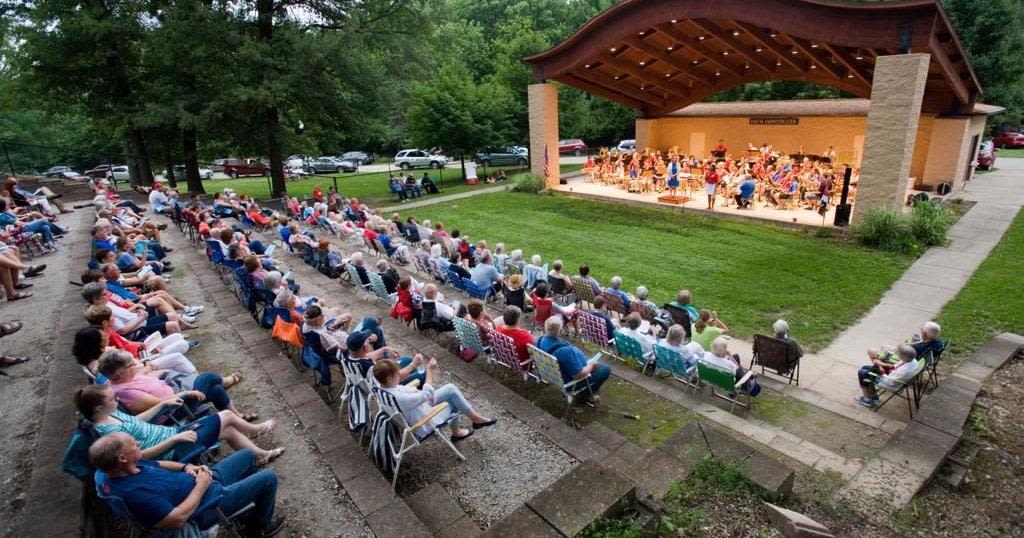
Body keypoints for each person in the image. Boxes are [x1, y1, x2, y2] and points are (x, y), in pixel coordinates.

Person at [86, 432, 286, 536]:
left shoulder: (112, 468)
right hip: (209, 505)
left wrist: (185, 467)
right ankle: (258, 528)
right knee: (268, 478)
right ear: (122, 458)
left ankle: (244, 511)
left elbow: (159, 463)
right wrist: (201, 485)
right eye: (134, 445)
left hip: (203, 480)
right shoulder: (134, 494)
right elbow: (177, 520)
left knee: (248, 455)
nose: (138, 444)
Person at [372, 358, 495, 442]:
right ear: (389, 378)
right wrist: (429, 370)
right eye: (396, 374)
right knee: (453, 401)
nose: (399, 375)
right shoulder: (400, 398)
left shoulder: (381, 388)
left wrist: (419, 393)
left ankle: (474, 420)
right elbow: (426, 393)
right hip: (425, 421)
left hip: (419, 408)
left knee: (450, 389)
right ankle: (459, 430)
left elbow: (405, 390)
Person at [537, 316, 609, 404]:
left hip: (551, 374)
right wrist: (591, 366)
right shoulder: (564, 352)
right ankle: (584, 395)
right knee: (605, 370)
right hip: (568, 382)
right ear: (560, 331)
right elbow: (578, 375)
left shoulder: (540, 340)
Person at [345, 328, 426, 387]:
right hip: (389, 387)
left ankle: (414, 387)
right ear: (365, 347)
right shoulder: (369, 367)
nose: (370, 341)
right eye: (368, 340)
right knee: (422, 374)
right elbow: (396, 377)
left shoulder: (351, 357)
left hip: (378, 380)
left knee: (407, 359)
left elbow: (367, 356)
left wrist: (385, 349)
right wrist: (414, 364)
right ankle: (414, 394)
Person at [855, 344, 921, 407]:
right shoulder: (913, 360)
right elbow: (897, 367)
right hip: (894, 377)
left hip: (890, 383)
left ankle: (867, 400)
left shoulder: (903, 371)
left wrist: (882, 371)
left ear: (903, 357)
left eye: (898, 353)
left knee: (862, 372)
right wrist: (885, 365)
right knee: (865, 367)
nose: (897, 354)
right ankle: (873, 396)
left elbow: (889, 381)